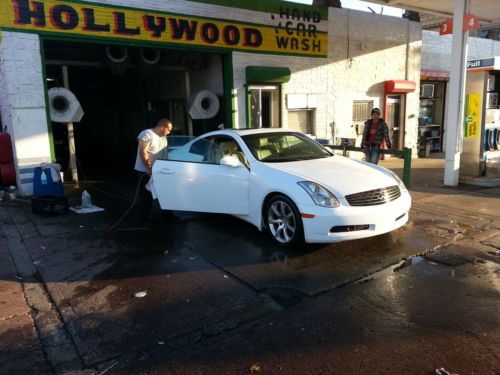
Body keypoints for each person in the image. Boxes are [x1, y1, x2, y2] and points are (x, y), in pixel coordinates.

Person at [134, 118, 172, 224]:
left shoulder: (164, 138)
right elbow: (143, 151)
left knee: (164, 192)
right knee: (147, 196)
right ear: (162, 127)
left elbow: (164, 154)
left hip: (158, 170)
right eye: (168, 130)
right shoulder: (147, 134)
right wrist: (148, 168)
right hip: (145, 171)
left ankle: (167, 215)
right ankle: (143, 220)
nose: (169, 132)